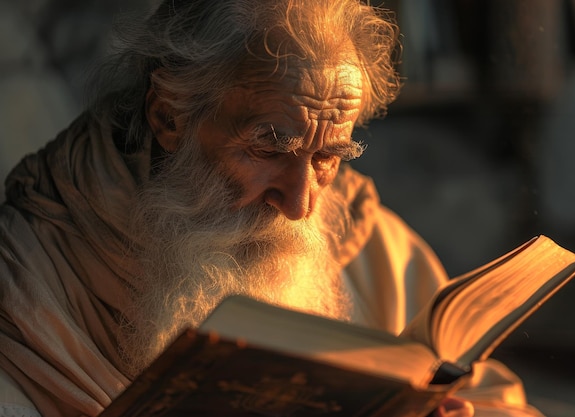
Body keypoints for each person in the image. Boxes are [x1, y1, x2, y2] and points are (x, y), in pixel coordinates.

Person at [0, 1, 543, 416]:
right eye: (269, 148)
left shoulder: (355, 223)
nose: (303, 203)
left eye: (329, 154)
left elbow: (487, 390)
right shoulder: (31, 274)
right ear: (169, 117)